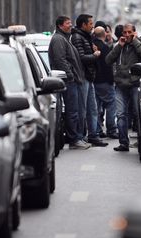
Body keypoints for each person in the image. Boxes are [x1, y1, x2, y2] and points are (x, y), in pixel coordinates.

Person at [48, 16, 91, 150]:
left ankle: (77, 137)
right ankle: (74, 139)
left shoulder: (64, 38)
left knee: (76, 110)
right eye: (68, 23)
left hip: (74, 80)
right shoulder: (58, 40)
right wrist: (70, 75)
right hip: (69, 81)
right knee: (72, 111)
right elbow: (60, 60)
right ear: (60, 26)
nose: (71, 25)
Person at [105, 24, 141, 152]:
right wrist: (119, 46)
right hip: (120, 85)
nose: (127, 34)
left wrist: (135, 41)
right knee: (121, 115)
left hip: (135, 84)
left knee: (137, 114)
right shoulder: (119, 45)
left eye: (130, 32)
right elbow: (108, 60)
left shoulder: (139, 44)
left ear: (134, 32)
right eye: (125, 32)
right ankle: (123, 143)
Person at [71, 14, 108, 147]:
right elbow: (81, 58)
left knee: (93, 108)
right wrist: (95, 55)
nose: (92, 26)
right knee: (82, 109)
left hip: (89, 77)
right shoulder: (77, 37)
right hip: (82, 77)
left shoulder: (86, 36)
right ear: (83, 25)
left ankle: (93, 135)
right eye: (90, 23)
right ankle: (79, 137)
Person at [92, 26, 118, 139]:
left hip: (94, 81)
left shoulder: (92, 46)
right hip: (105, 81)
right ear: (104, 35)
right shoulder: (105, 48)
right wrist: (111, 80)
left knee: (96, 107)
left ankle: (97, 130)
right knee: (111, 105)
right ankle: (111, 129)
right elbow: (108, 66)